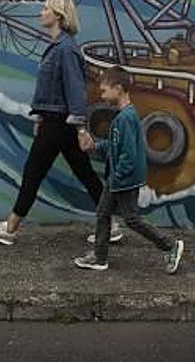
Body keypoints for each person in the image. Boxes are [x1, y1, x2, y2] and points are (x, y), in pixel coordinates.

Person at [0, 0, 120, 245]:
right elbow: (52, 91)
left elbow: (75, 89)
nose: (40, 13)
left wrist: (79, 126)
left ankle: (10, 229)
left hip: (60, 123)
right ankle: (113, 225)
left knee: (34, 172)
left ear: (58, 16)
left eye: (45, 9)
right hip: (55, 121)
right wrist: (40, 116)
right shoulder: (58, 47)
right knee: (85, 174)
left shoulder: (66, 49)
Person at [73, 66, 185, 273]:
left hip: (123, 180)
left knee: (130, 219)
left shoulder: (126, 119)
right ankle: (99, 257)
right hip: (120, 178)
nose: (101, 93)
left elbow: (129, 156)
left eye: (105, 90)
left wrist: (116, 178)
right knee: (103, 214)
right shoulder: (124, 116)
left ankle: (170, 245)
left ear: (118, 88)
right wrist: (94, 146)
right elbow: (115, 146)